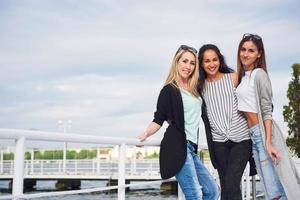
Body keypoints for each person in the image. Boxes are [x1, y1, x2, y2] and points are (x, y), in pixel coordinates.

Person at [137, 45, 218, 200]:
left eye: (192, 63)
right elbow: (158, 119)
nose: (188, 66)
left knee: (212, 191)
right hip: (178, 147)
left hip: (191, 149)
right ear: (176, 62)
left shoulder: (195, 90)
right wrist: (146, 133)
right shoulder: (169, 90)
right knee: (194, 194)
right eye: (185, 61)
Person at [236, 33, 300, 200]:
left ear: (259, 54)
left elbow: (266, 109)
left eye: (251, 50)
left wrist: (268, 142)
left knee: (275, 189)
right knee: (268, 185)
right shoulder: (243, 78)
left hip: (262, 134)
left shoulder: (259, 75)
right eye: (243, 49)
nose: (245, 54)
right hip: (253, 136)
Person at [198, 44, 256, 200]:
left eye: (214, 59)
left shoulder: (234, 77)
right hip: (218, 142)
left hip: (241, 140)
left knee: (231, 182)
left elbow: (252, 99)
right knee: (225, 185)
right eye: (207, 61)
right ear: (201, 64)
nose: (211, 64)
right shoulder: (200, 87)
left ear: (220, 60)